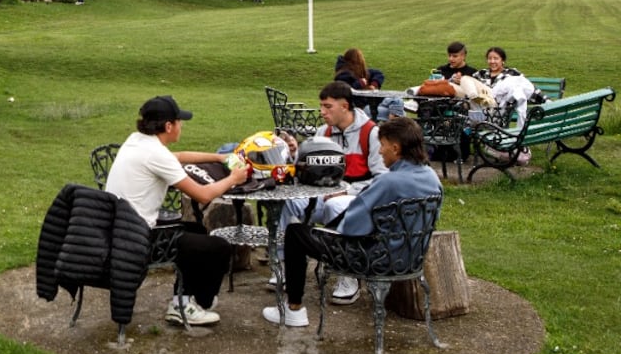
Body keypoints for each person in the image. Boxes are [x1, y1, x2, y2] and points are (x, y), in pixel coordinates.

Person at [263, 116, 442, 327]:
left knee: (295, 232)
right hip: (410, 258)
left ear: (396, 148)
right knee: (323, 224)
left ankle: (294, 309)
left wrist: (338, 226)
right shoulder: (431, 177)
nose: (380, 151)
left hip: (373, 259)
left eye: (383, 145)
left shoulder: (387, 182)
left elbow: (351, 228)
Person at [105, 96, 251, 326]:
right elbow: (203, 195)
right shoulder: (156, 155)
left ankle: (182, 300)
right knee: (219, 247)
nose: (181, 125)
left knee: (196, 230)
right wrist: (233, 178)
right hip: (138, 240)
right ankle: (196, 302)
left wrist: (219, 157)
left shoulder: (138, 141)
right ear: (168, 126)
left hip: (118, 230)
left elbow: (179, 157)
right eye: (179, 121)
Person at [275, 81, 387, 304]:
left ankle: (347, 274)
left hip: (358, 200)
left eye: (328, 107)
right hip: (323, 194)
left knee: (336, 205)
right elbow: (307, 170)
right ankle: (285, 265)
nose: (322, 112)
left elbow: (382, 178)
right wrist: (295, 154)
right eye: (321, 106)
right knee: (289, 201)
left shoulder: (370, 133)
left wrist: (345, 190)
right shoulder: (323, 132)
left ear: (344, 106)